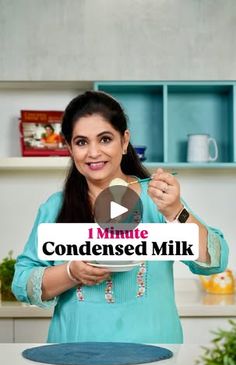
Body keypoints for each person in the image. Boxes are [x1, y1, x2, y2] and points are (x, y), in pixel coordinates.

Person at [12, 91, 228, 344]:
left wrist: (175, 211)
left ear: (124, 141)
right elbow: (22, 285)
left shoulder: (157, 200)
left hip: (154, 356)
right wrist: (71, 273)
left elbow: (216, 261)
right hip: (74, 358)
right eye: (81, 142)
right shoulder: (56, 207)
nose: (93, 152)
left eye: (105, 139)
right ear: (70, 148)